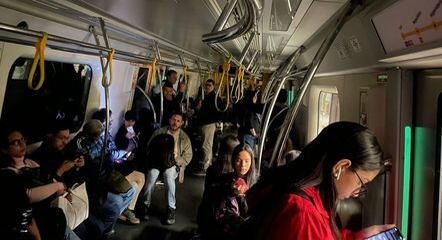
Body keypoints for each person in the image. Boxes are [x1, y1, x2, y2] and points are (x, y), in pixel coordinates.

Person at [244, 121, 395, 240]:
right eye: (361, 183)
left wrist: (359, 237)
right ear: (340, 167)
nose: (357, 193)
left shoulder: (312, 198)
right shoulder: (303, 214)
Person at [142, 112, 193, 224]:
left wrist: (177, 158)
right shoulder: (159, 132)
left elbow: (188, 157)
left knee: (169, 175)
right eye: (173, 119)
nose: (175, 122)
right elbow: (149, 148)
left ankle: (171, 208)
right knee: (152, 176)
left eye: (178, 121)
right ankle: (145, 205)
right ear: (169, 120)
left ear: (182, 123)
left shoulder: (184, 138)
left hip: (173, 164)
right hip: (157, 162)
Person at [198, 144, 257, 240]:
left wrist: (243, 197)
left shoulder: (256, 183)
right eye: (238, 160)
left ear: (252, 162)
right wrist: (230, 190)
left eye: (247, 161)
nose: (243, 165)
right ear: (233, 161)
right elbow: (212, 200)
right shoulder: (225, 180)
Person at [114, 110, 145, 225]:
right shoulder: (121, 133)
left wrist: (133, 153)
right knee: (140, 178)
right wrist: (126, 139)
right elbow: (120, 149)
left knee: (139, 181)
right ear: (124, 120)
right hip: (120, 165)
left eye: (132, 121)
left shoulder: (132, 130)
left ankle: (128, 209)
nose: (130, 124)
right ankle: (125, 210)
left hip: (127, 163)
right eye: (128, 121)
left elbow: (136, 147)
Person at [194, 79, 224, 176]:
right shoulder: (205, 97)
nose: (207, 87)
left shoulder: (215, 98)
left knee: (206, 146)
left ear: (213, 86)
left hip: (209, 124)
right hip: (203, 124)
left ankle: (206, 168)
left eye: (209, 85)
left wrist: (215, 119)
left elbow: (221, 110)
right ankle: (206, 165)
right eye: (206, 85)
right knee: (205, 145)